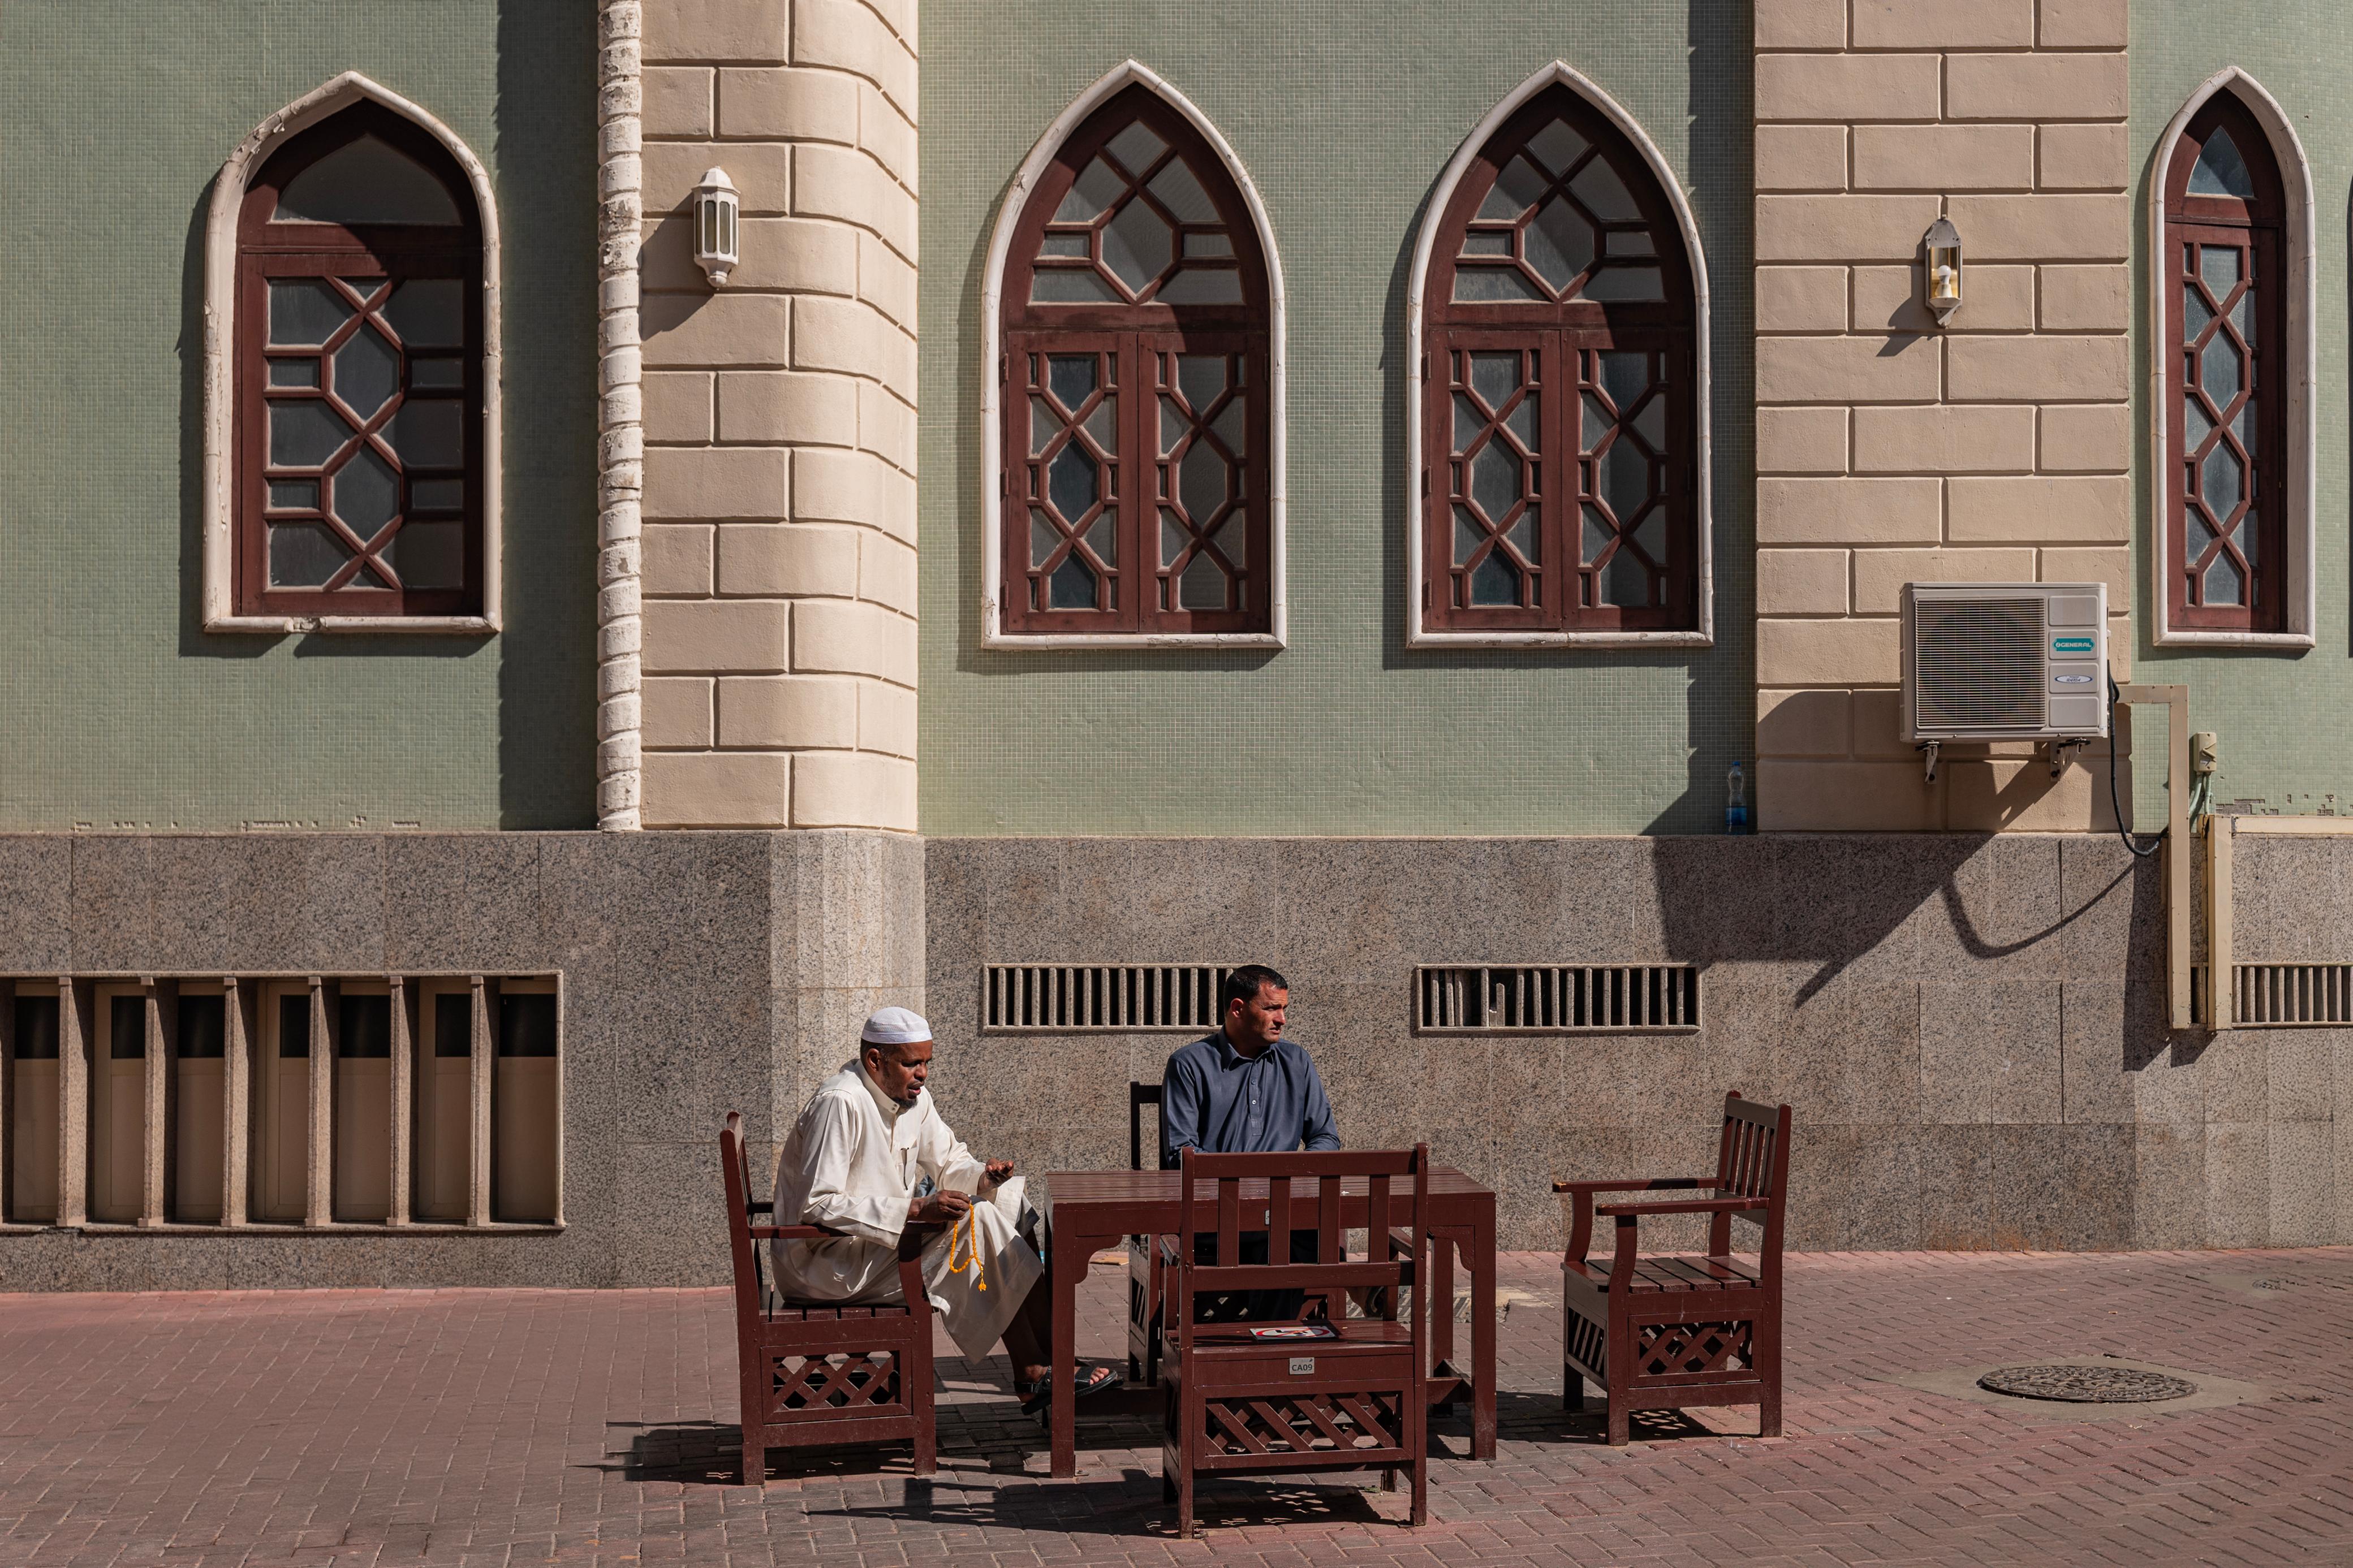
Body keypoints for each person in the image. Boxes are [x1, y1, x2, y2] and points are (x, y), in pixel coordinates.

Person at [771, 1006, 1121, 1411]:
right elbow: (819, 1204)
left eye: (926, 1063)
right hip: (825, 1265)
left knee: (1006, 1202)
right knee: (978, 1221)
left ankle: (1054, 1359)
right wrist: (916, 1209)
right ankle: (1030, 1371)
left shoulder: (913, 1098)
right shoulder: (841, 1102)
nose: (922, 1073)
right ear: (875, 1060)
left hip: (877, 1247)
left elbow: (950, 1161)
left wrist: (985, 1178)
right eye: (912, 1063)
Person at [1158, 965, 1341, 1319]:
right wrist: (1251, 1183)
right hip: (1215, 1214)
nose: (1282, 1019)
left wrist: (1293, 1175)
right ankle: (1274, 1343)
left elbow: (1325, 1136)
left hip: (1283, 1208)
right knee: (1299, 1241)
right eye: (1272, 1008)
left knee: (1294, 1233)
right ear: (1238, 1009)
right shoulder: (1189, 1064)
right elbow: (1180, 1154)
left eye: (1285, 1009)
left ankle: (1262, 1348)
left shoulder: (1296, 1060)